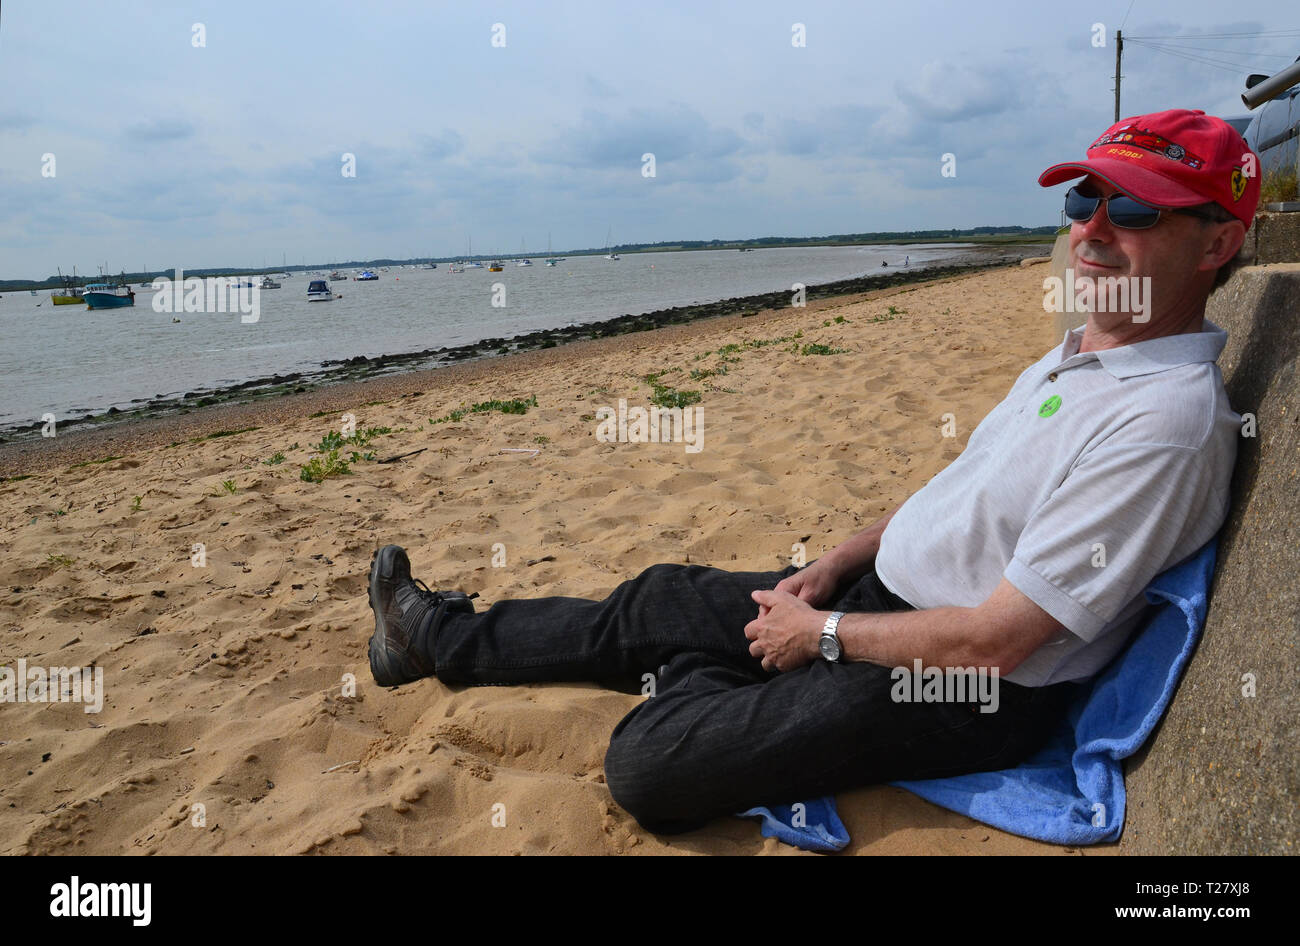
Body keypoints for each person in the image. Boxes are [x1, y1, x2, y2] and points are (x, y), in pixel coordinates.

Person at [364, 109, 1258, 834]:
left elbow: (997, 643)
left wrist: (818, 635)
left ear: (1217, 245)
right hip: (877, 599)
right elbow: (968, 484)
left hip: (957, 686)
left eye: (1136, 211)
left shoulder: (1164, 424)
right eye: (1085, 202)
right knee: (660, 595)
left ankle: (707, 674)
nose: (1093, 230)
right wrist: (841, 561)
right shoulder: (1081, 353)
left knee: (650, 763)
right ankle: (429, 642)